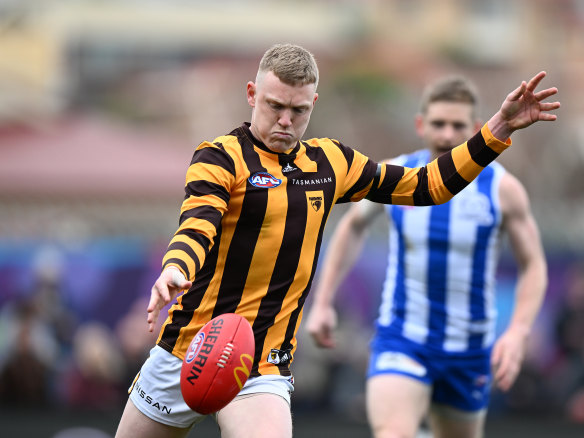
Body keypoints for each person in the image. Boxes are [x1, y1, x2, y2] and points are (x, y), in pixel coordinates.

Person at [114, 43, 559, 438]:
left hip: (261, 364)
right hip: (187, 350)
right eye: (274, 106)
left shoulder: (330, 162)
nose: (286, 121)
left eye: (299, 111)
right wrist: (176, 268)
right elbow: (197, 224)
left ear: (313, 104)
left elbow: (425, 186)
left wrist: (498, 128)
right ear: (252, 95)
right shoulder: (220, 157)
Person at [306, 75, 550, 438]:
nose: (448, 135)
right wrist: (323, 302)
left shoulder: (502, 189)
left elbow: (534, 265)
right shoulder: (397, 175)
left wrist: (517, 331)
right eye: (438, 124)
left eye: (458, 125)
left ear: (477, 128)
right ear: (421, 125)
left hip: (469, 349)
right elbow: (351, 226)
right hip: (403, 338)